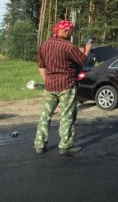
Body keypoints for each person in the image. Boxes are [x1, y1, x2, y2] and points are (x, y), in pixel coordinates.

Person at [34, 20, 92, 155]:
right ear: (65, 31)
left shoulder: (44, 45)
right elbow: (82, 61)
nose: (71, 33)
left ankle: (39, 144)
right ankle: (65, 146)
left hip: (50, 86)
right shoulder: (68, 46)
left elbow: (41, 66)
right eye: (71, 31)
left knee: (45, 115)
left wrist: (47, 81)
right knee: (67, 115)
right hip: (67, 85)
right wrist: (87, 50)